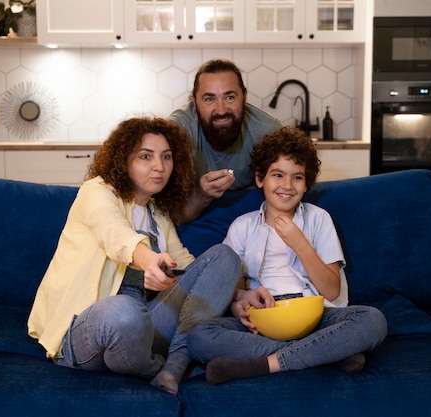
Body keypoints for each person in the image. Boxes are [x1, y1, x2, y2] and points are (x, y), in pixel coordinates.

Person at [27, 117, 241, 395]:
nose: (159, 166)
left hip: (144, 329)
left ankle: (173, 366)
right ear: (123, 160)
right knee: (123, 311)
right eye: (145, 156)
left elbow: (190, 268)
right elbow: (113, 233)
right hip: (89, 330)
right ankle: (160, 368)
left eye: (166, 157)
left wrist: (238, 298)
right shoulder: (97, 191)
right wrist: (149, 259)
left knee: (224, 257)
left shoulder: (158, 214)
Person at [187, 127, 388, 385]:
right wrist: (240, 305)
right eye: (278, 175)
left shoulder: (319, 220)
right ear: (260, 178)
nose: (287, 186)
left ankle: (266, 364)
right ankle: (324, 354)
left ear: (306, 184)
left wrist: (300, 244)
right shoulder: (242, 226)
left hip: (315, 316)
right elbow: (234, 292)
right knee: (200, 336)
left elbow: (332, 291)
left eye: (297, 178)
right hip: (264, 321)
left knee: (373, 320)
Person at [169, 58, 282, 222]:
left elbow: (286, 198)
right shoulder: (176, 132)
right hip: (194, 214)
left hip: (251, 215)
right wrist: (201, 194)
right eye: (209, 99)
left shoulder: (268, 131)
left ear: (244, 97)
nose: (221, 110)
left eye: (229, 97)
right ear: (193, 102)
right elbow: (169, 215)